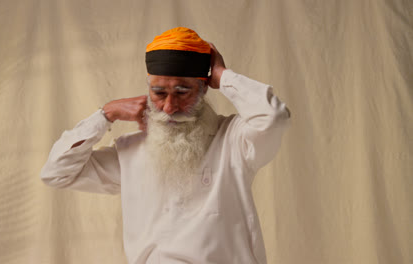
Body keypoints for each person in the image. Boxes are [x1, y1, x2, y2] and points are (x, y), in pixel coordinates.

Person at [41, 27, 291, 264]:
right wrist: (105, 114)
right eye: (159, 93)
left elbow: (273, 117)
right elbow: (56, 173)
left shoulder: (235, 139)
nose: (169, 107)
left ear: (204, 88)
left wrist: (221, 75)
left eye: (182, 92)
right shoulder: (130, 150)